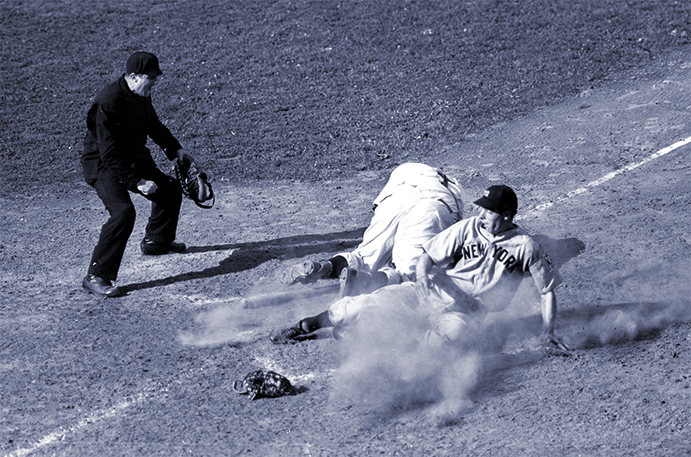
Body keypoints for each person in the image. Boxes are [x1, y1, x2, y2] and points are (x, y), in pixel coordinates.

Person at [270, 184, 572, 351]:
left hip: (464, 312)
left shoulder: (526, 246)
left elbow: (547, 290)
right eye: (480, 208)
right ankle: (306, 326)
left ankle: (383, 340)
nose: (480, 213)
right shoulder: (468, 227)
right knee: (356, 305)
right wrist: (423, 274)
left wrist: (548, 330)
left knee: (442, 347)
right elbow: (428, 255)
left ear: (506, 215)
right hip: (425, 292)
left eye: (488, 210)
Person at [80, 51, 196, 297]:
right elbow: (109, 153)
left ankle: (157, 241)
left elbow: (153, 125)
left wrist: (176, 150)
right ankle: (96, 275)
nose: (154, 81)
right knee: (123, 212)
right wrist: (138, 182)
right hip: (103, 164)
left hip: (131, 156)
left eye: (156, 77)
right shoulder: (108, 102)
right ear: (133, 77)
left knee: (170, 189)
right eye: (150, 77)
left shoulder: (141, 95)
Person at [281, 162, 465, 297]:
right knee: (410, 272)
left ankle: (325, 266)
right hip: (436, 205)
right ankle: (365, 281)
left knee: (364, 256)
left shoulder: (411, 169)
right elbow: (447, 246)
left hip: (395, 195)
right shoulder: (456, 192)